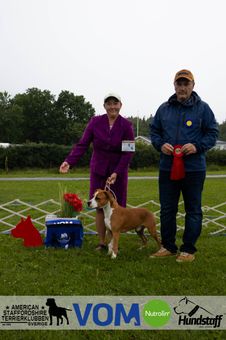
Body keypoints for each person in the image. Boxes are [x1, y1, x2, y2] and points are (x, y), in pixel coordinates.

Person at [150, 69, 218, 262]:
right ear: (174, 86)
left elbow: (213, 133)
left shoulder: (203, 109)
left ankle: (188, 250)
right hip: (167, 167)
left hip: (194, 169)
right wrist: (160, 144)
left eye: (186, 84)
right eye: (179, 84)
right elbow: (154, 132)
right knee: (167, 209)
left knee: (193, 210)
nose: (182, 87)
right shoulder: (163, 109)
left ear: (193, 86)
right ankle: (168, 247)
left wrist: (197, 146)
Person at [59, 93, 135, 250]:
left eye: (115, 103)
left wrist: (117, 172)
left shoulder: (126, 125)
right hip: (98, 172)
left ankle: (113, 243)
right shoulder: (95, 122)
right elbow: (82, 145)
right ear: (104, 106)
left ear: (121, 104)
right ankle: (102, 242)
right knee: (99, 208)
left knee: (116, 209)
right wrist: (69, 161)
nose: (112, 106)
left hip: (118, 174)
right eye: (109, 103)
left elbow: (128, 152)